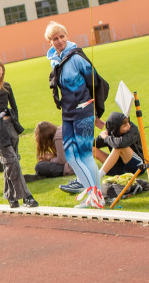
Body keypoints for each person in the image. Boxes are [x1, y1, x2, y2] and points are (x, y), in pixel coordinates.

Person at [46, 20, 109, 209]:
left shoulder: (76, 57)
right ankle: (93, 193)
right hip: (68, 114)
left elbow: (97, 83)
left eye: (61, 37)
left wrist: (96, 112)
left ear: (67, 36)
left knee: (85, 155)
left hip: (84, 112)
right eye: (55, 38)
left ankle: (96, 196)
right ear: (50, 41)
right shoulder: (55, 60)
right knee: (71, 157)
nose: (59, 41)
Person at [0, 57, 38, 209]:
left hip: (10, 126)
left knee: (11, 162)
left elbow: (15, 106)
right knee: (12, 161)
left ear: (3, 70)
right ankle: (26, 196)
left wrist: (14, 122)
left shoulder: (7, 87)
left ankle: (11, 197)